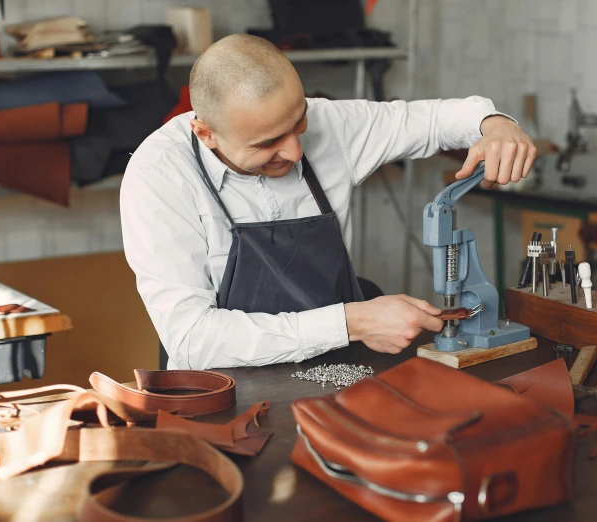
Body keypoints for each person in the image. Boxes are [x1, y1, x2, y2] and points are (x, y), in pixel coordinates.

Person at [120, 34, 536, 370]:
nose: (297, 152)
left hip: (337, 367)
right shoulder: (158, 174)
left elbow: (431, 120)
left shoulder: (329, 124)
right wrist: (353, 322)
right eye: (269, 144)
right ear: (206, 133)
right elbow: (193, 340)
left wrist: (494, 124)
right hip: (221, 387)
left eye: (299, 122)